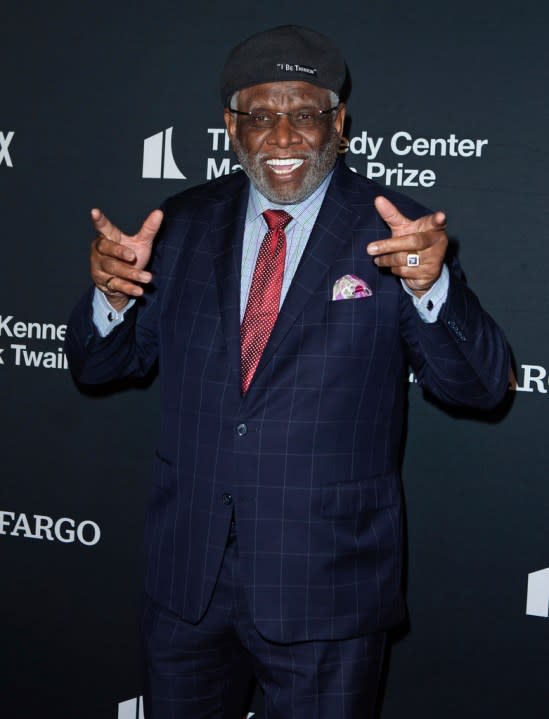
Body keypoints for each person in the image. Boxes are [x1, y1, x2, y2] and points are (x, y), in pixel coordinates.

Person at [66, 24, 510, 719]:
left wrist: (432, 289)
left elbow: (481, 387)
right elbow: (97, 369)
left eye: (303, 114)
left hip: (327, 585)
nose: (282, 138)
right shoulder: (178, 223)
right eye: (261, 116)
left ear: (337, 122)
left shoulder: (397, 230)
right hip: (187, 580)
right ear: (229, 125)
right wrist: (111, 297)